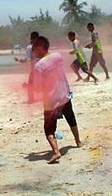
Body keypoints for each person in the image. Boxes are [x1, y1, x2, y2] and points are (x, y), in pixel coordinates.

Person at [31, 36, 83, 164]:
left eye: (33, 49)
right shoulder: (58, 56)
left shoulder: (38, 65)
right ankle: (78, 141)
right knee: (70, 117)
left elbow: (37, 88)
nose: (33, 52)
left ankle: (56, 152)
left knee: (49, 128)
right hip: (64, 94)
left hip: (51, 100)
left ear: (39, 48)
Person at [13, 31, 39, 103]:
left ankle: (31, 99)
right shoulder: (42, 45)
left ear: (31, 38)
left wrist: (18, 59)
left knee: (30, 84)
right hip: (45, 67)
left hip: (35, 69)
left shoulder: (29, 47)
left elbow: (27, 60)